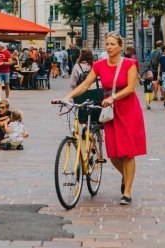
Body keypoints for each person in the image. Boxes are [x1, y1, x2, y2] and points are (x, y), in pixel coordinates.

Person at [58, 33, 146, 205]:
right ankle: (126, 177)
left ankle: (127, 191)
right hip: (109, 110)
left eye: (113, 44)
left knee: (127, 152)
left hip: (127, 109)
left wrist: (114, 97)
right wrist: (68, 97)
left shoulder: (129, 64)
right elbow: (85, 84)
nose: (109, 47)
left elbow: (130, 88)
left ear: (121, 46)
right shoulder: (99, 65)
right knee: (113, 153)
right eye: (107, 44)